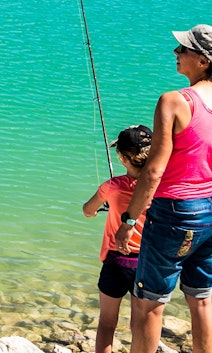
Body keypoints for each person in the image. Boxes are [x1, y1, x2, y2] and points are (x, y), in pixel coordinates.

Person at [114, 25, 212, 353]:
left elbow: (154, 171)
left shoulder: (173, 101)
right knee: (201, 299)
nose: (176, 52)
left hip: (178, 213)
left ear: (203, 61)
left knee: (149, 304)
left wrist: (128, 221)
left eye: (183, 49)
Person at [82, 125, 154, 353]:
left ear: (122, 159)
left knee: (106, 323)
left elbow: (87, 210)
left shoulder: (112, 186)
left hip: (116, 262)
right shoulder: (159, 187)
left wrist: (97, 209)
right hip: (147, 263)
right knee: (140, 324)